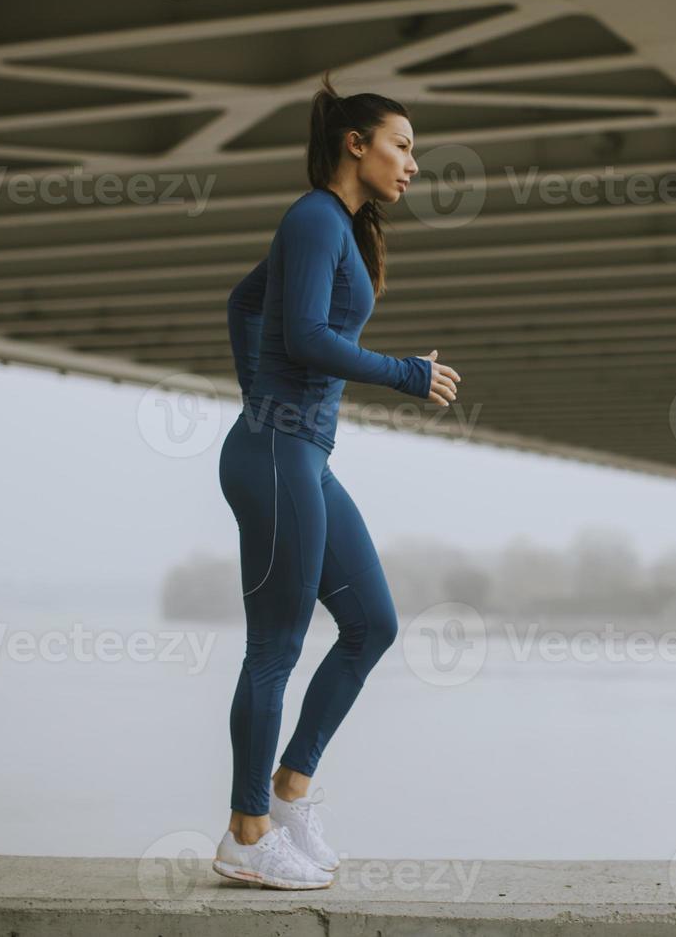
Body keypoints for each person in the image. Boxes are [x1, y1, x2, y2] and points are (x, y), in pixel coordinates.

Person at [212, 70, 461, 889]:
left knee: (372, 626)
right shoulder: (317, 218)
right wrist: (404, 373)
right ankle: (246, 838)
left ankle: (290, 793)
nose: (413, 164)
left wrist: (264, 397)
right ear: (356, 145)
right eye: (403, 145)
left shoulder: (334, 228)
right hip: (277, 460)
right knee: (276, 650)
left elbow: (246, 306)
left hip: (300, 457)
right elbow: (308, 336)